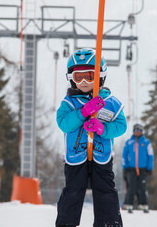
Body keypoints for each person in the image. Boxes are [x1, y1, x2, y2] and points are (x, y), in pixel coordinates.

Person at [55, 48, 127, 227]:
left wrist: (102, 128)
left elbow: (121, 126)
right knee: (72, 191)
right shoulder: (69, 102)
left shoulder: (109, 102)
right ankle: (66, 223)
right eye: (79, 77)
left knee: (105, 191)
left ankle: (108, 223)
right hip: (76, 157)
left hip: (101, 156)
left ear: (100, 76)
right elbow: (63, 123)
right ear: (71, 78)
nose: (85, 82)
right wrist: (83, 112)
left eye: (89, 76)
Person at [122, 123, 154, 213]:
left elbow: (150, 155)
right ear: (133, 131)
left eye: (139, 130)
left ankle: (144, 205)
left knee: (142, 187)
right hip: (131, 169)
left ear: (141, 131)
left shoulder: (146, 142)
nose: (137, 132)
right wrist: (125, 167)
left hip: (143, 169)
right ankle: (129, 205)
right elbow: (124, 155)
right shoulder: (129, 142)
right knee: (131, 187)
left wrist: (150, 168)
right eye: (136, 130)